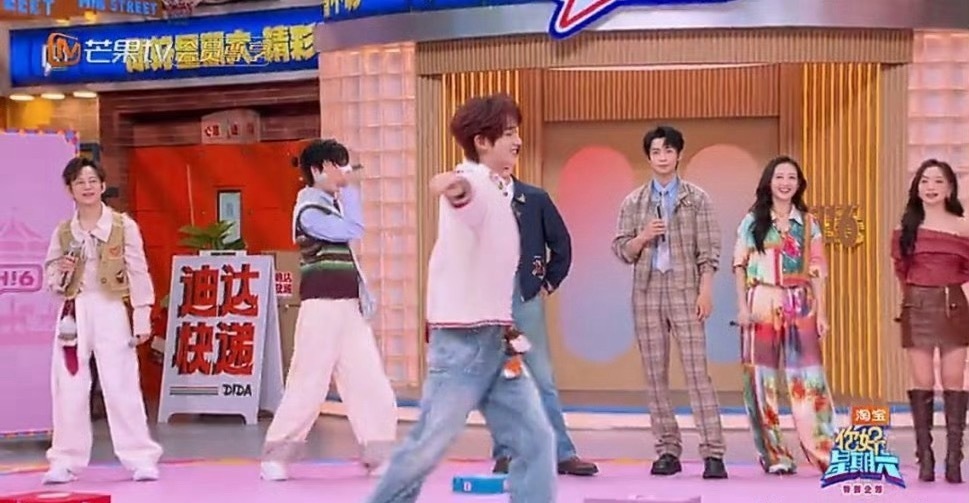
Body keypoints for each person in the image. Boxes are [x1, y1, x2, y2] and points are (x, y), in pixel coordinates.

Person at [365, 94, 556, 503]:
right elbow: (464, 196)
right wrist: (453, 188)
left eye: (517, 132)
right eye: (509, 133)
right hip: (463, 344)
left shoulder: (498, 188)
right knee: (428, 445)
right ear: (482, 142)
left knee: (536, 440)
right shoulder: (474, 182)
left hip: (497, 340)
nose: (518, 141)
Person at [260, 139, 398, 481]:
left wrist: (345, 191)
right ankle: (276, 456)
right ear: (317, 170)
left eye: (344, 164)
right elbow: (353, 229)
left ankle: (379, 453)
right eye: (336, 165)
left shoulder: (332, 205)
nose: (343, 171)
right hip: (320, 308)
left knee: (369, 381)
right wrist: (350, 190)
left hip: (349, 309)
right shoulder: (307, 210)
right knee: (307, 382)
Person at [611, 125, 727, 479]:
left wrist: (705, 291)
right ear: (649, 157)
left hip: (685, 290)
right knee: (654, 374)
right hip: (647, 293)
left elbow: (709, 251)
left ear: (679, 155)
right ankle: (667, 450)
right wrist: (643, 237)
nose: (662, 157)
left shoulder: (697, 199)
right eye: (656, 152)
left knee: (697, 372)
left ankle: (713, 452)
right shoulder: (633, 202)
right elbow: (621, 249)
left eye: (668, 151)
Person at [42, 157, 163, 484]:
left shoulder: (123, 226)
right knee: (68, 386)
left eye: (92, 181)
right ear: (69, 189)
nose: (87, 187)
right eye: (80, 182)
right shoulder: (63, 231)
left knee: (121, 383)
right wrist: (61, 274)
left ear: (103, 185)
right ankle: (65, 460)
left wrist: (141, 316)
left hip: (111, 309)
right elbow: (51, 279)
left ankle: (140, 457)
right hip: (74, 313)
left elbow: (138, 271)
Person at [489, 168, 598, 477]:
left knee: (541, 377)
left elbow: (561, 244)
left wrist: (548, 283)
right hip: (487, 297)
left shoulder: (534, 198)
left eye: (514, 149)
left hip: (525, 294)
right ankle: (506, 452)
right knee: (500, 376)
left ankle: (562, 452)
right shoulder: (476, 199)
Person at [732, 156, 837, 475]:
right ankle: (774, 454)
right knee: (759, 380)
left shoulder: (808, 223)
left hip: (799, 301)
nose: (785, 183)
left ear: (799, 184)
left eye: (792, 177)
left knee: (809, 379)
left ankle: (825, 453)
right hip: (761, 299)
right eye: (779, 176)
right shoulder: (752, 221)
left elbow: (818, 271)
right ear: (769, 181)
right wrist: (743, 307)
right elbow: (739, 265)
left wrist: (821, 312)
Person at [891, 158, 969, 484]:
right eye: (924, 181)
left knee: (953, 380)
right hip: (917, 305)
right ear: (917, 187)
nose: (931, 187)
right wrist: (913, 300)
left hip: (954, 305)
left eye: (938, 181)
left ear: (949, 188)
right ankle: (925, 457)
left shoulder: (963, 226)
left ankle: (954, 458)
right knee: (922, 381)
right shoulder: (905, 229)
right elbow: (901, 271)